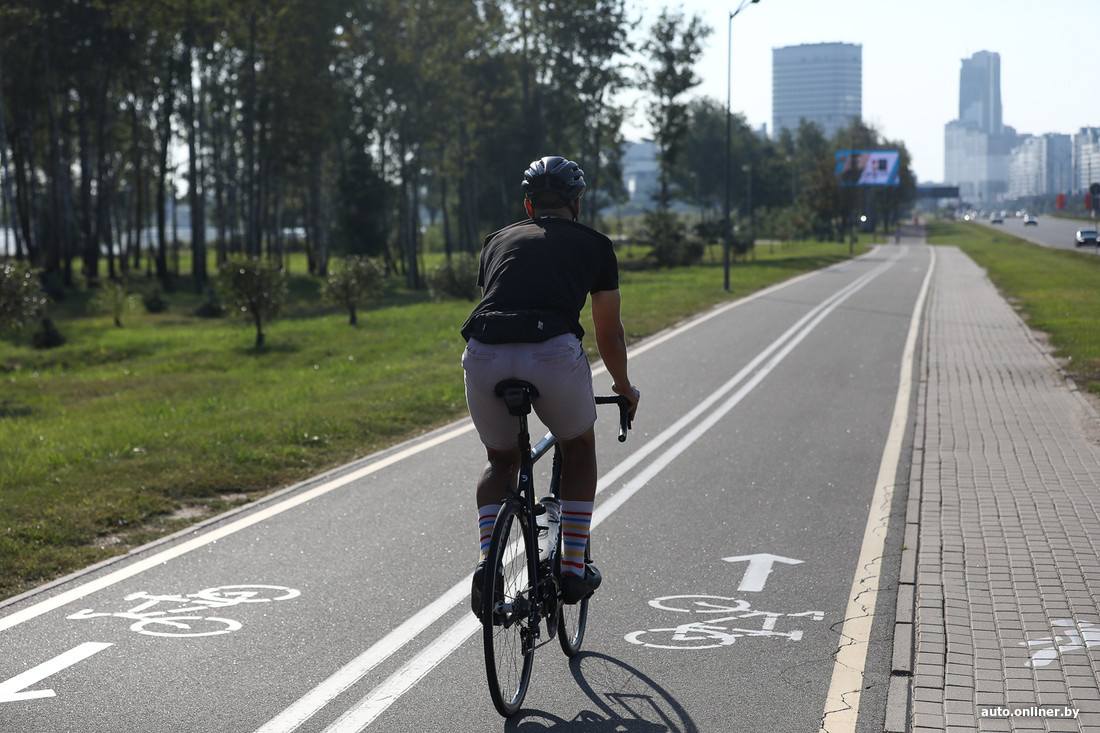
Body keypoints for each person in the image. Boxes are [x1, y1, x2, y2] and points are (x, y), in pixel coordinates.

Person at [461, 155, 640, 616]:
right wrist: (623, 386)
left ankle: (487, 560)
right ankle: (573, 566)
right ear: (576, 204)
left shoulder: (496, 241)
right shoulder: (595, 245)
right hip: (552, 351)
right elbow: (608, 333)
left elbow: (504, 298)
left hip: (483, 351)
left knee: (500, 458)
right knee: (578, 446)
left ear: (527, 205)